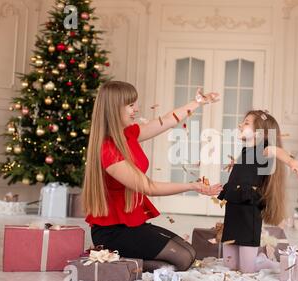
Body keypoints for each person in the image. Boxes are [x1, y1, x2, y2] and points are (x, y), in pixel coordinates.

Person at [82, 81, 222, 271]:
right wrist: (192, 186)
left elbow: (167, 120)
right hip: (112, 232)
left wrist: (198, 102)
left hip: (131, 224)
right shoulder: (108, 150)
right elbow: (149, 187)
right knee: (183, 258)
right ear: (114, 108)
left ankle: (129, 262)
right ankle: (119, 261)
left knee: (189, 251)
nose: (136, 109)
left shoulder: (128, 134)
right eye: (131, 105)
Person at [218, 110, 298, 273]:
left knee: (246, 270)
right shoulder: (245, 151)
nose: (240, 125)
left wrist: (291, 162)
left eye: (246, 123)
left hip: (249, 209)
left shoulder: (265, 149)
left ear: (260, 132)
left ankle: (262, 261)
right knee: (230, 266)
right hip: (233, 207)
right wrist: (235, 166)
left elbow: (277, 151)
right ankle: (258, 259)